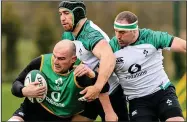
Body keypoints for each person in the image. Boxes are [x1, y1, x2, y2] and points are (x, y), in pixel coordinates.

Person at [109, 11, 186, 122]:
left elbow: (183, 46)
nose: (118, 36)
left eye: (122, 32)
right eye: (116, 31)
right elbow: (101, 72)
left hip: (162, 92)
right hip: (138, 100)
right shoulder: (112, 48)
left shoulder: (152, 37)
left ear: (134, 30)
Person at [58, 1, 129, 121]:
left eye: (66, 13)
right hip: (89, 91)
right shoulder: (68, 35)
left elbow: (109, 58)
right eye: (60, 14)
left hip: (110, 93)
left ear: (78, 14)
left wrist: (97, 87)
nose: (62, 18)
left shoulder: (91, 34)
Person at [8, 40, 109, 121]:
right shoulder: (42, 62)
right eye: (54, 56)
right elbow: (16, 85)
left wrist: (93, 74)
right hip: (33, 110)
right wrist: (24, 91)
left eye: (61, 58)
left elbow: (104, 88)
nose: (55, 62)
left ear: (73, 59)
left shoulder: (80, 72)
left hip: (62, 117)